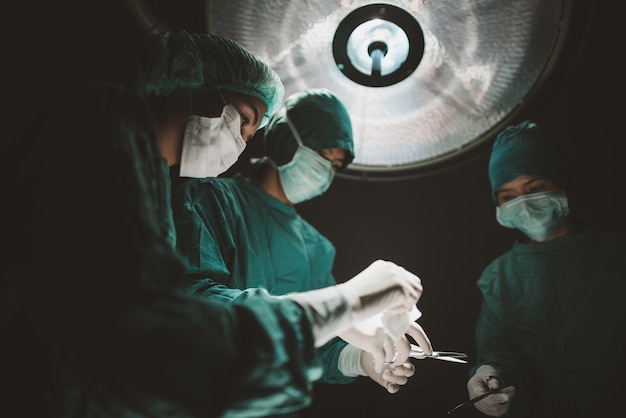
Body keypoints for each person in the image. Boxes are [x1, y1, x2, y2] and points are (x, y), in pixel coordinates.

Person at [3, 31, 430, 418]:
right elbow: (175, 340)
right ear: (192, 83)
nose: (241, 143)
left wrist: (353, 348)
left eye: (249, 133)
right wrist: (347, 303)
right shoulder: (102, 132)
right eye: (243, 118)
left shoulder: (159, 187)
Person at [171, 88, 429, 408]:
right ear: (286, 140)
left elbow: (313, 346)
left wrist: (360, 359)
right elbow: (193, 308)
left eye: (337, 165)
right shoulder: (209, 200)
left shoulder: (317, 248)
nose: (328, 171)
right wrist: (346, 304)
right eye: (324, 155)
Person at [465, 120, 626, 418]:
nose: (523, 204)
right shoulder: (500, 277)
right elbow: (497, 353)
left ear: (560, 182)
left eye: (535, 188)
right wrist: (487, 376)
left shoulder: (616, 256)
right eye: (509, 196)